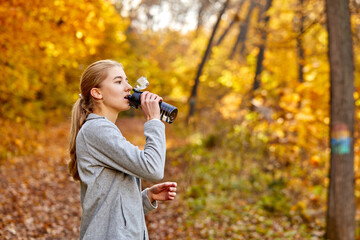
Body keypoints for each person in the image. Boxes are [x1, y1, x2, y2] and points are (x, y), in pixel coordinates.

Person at [68, 59, 177, 239]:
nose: (128, 87)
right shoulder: (97, 130)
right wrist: (153, 121)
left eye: (126, 81)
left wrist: (146, 197)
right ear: (97, 93)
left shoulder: (104, 129)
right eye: (118, 81)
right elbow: (153, 168)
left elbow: (110, 209)